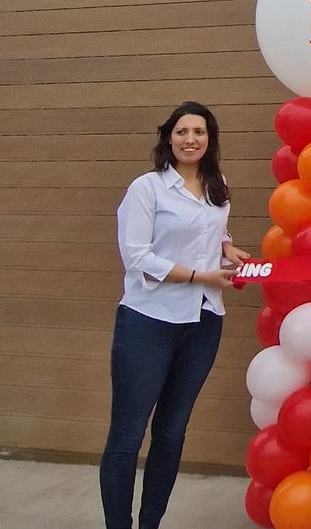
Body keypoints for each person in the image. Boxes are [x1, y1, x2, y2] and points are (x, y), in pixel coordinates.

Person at [100, 102, 248, 529]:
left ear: (210, 139)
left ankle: (150, 524)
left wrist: (227, 248)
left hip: (203, 322)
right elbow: (137, 257)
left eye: (198, 132)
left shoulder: (218, 185)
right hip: (148, 321)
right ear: (169, 137)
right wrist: (201, 275)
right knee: (127, 436)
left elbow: (211, 231)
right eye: (182, 131)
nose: (190, 139)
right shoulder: (147, 188)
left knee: (171, 432)